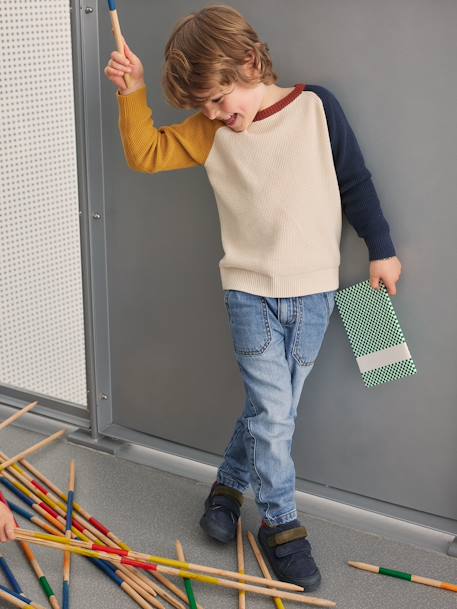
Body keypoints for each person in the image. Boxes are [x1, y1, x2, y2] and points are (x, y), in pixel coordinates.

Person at [104, 4, 402, 591]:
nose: (218, 115)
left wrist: (382, 248)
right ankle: (281, 526)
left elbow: (355, 180)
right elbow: (144, 153)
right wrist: (132, 92)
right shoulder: (210, 132)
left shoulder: (316, 107)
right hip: (248, 293)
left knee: (274, 412)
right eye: (205, 107)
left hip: (316, 292)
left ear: (249, 63)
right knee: (273, 414)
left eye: (220, 98)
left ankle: (224, 491)